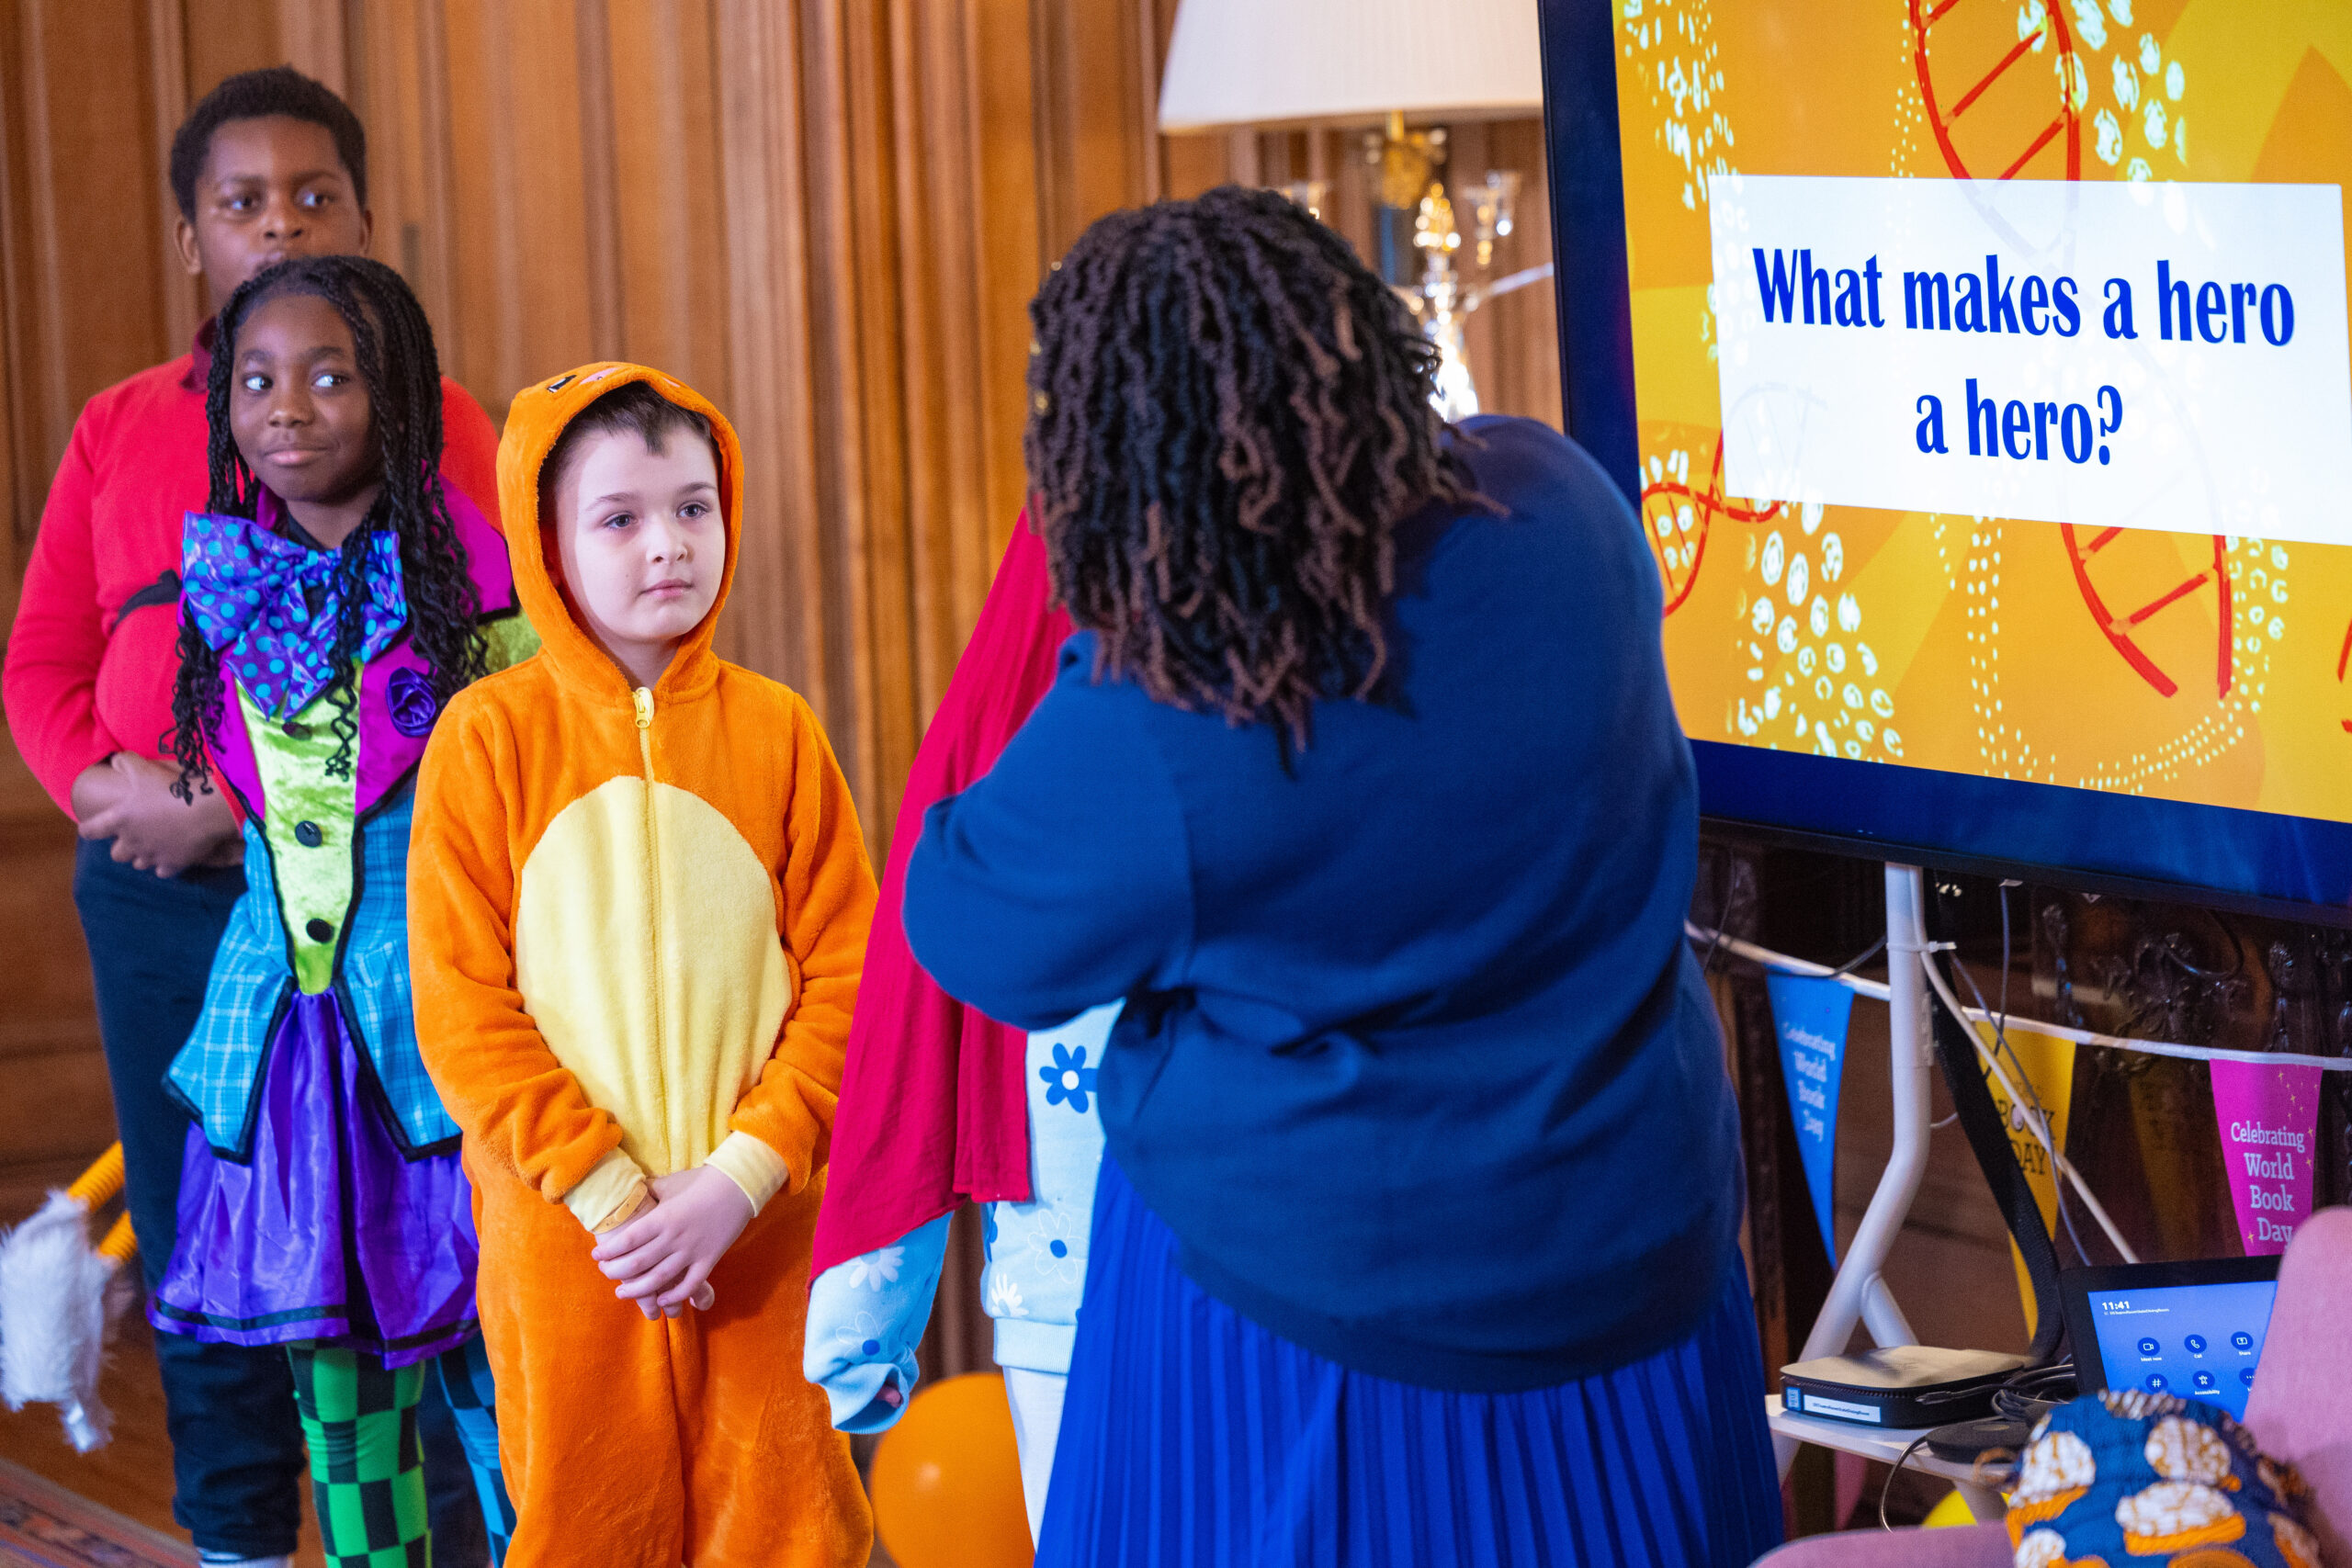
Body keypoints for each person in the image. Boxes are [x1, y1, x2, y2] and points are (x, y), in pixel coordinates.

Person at [901, 186, 1785, 1567]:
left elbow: (966, 918)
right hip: (1644, 1301)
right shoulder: (1568, 510)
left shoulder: (1176, 710)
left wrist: (1122, 621)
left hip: (1313, 1353)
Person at [0, 67, 501, 1568]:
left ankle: (442, 1531)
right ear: (191, 236)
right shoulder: (116, 428)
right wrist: (107, 791)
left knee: (407, 1224)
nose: (277, 222)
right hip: (164, 896)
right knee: (195, 1213)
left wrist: (245, 809)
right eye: (240, 202)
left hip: (379, 900)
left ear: (361, 216)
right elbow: (47, 659)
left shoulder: (439, 419)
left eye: (310, 195)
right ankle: (230, 1531)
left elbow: (461, 655)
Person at [407, 366, 877, 1568]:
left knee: (789, 1521)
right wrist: (609, 1192)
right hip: (574, 1241)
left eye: (694, 506)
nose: (668, 544)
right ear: (548, 543)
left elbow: (850, 977)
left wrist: (741, 1177)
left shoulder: (778, 729)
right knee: (584, 1526)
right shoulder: (486, 736)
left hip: (764, 1228)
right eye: (620, 516)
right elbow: (462, 1008)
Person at [149, 253, 526, 1566]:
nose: (287, 407)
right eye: (257, 380)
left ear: (402, 396)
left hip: (445, 1038)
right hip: (285, 1053)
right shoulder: (227, 585)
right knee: (344, 1409)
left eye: (329, 374)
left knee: (508, 1385)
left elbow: (530, 804)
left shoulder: (473, 575)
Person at [807, 521, 1111, 1541]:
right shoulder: (1040, 665)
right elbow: (914, 973)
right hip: (1083, 1256)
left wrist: (862, 1321)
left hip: (1149, 1256)